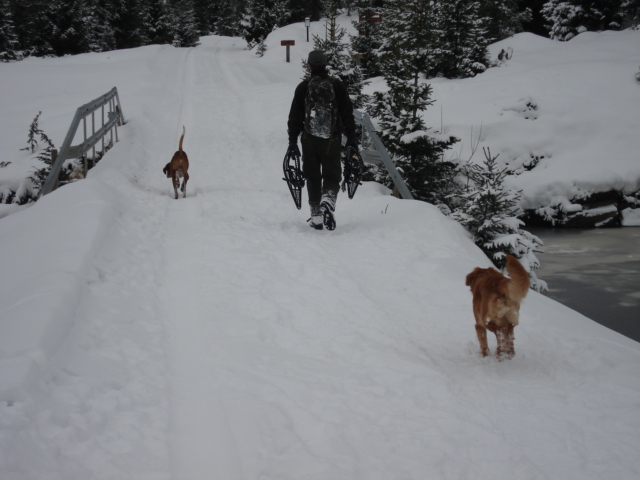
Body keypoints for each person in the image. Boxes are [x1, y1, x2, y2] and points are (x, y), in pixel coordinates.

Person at [287, 50, 358, 230]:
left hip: (309, 140)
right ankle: (328, 199)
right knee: (332, 175)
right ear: (326, 64)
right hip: (331, 140)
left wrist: (293, 142)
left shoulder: (303, 87)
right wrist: (351, 139)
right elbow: (347, 114)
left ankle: (316, 215)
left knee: (312, 176)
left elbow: (294, 117)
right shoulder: (337, 85)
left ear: (309, 66)